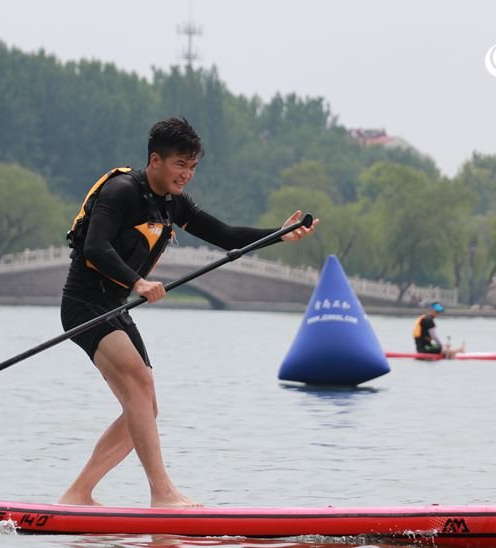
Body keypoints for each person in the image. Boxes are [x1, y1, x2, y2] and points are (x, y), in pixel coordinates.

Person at [59, 117, 318, 507]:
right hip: (84, 303)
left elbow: (226, 237)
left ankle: (78, 495)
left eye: (193, 167)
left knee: (145, 407)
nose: (187, 174)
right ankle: (161, 494)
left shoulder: (174, 204)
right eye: (181, 164)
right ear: (155, 160)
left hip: (114, 306)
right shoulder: (121, 191)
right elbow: (95, 247)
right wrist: (138, 283)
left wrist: (277, 234)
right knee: (141, 391)